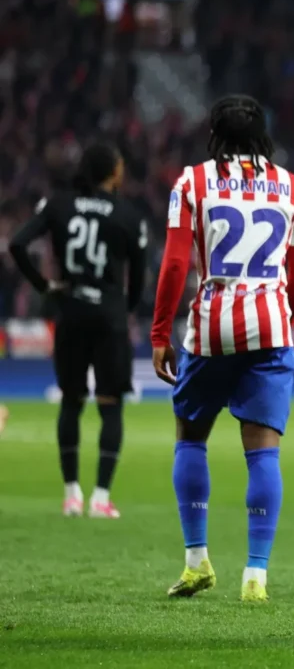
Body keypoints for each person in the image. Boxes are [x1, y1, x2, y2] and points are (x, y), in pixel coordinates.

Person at [150, 95, 294, 602]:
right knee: (263, 451)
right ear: (263, 135)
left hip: (211, 327)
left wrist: (160, 332)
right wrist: (285, 314)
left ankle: (197, 560)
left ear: (214, 136)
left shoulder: (192, 182)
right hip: (270, 325)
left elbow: (175, 264)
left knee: (190, 436)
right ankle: (256, 575)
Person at [9, 143, 147, 519]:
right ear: (113, 172)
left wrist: (44, 286)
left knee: (71, 401)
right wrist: (125, 308)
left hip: (70, 312)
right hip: (109, 317)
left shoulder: (59, 204)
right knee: (111, 405)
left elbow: (17, 243)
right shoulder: (127, 214)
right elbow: (138, 275)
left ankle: (71, 494)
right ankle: (101, 498)